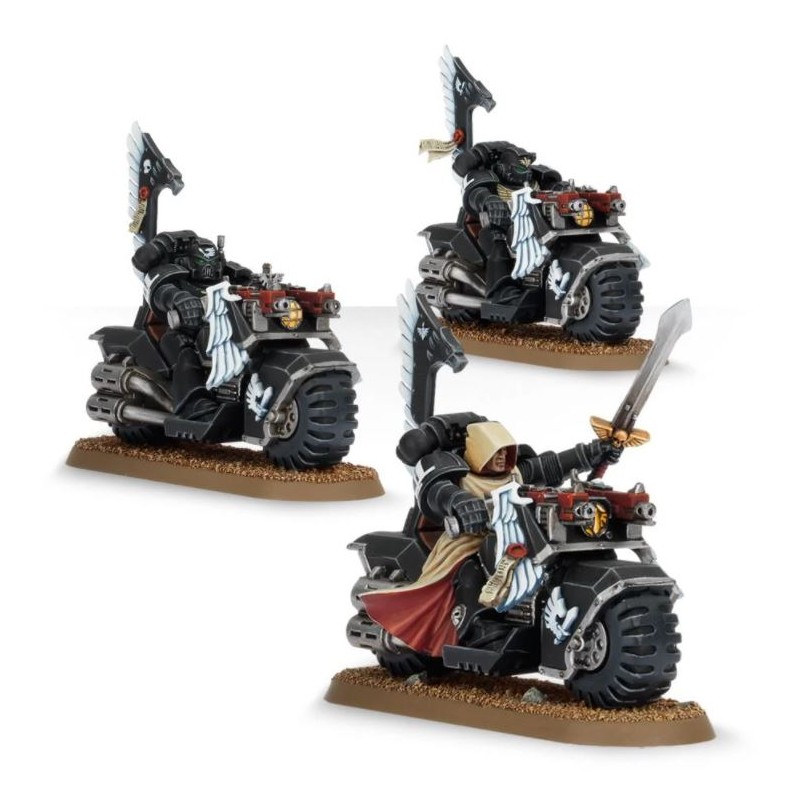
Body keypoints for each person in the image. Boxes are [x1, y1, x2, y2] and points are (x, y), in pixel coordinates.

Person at [361, 413, 617, 657]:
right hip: (469, 541)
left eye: (505, 451)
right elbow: (438, 491)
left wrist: (590, 453)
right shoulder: (460, 477)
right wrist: (459, 502)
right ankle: (475, 626)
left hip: (516, 535)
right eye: (496, 451)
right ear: (479, 450)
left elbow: (552, 466)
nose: (502, 457)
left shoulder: (515, 473)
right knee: (470, 572)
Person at [132, 230, 253, 423]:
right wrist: (178, 298)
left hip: (223, 329)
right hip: (180, 332)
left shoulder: (226, 278)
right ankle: (192, 403)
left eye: (213, 263)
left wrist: (257, 285)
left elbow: (249, 282)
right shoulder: (173, 279)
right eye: (202, 263)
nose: (208, 269)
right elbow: (162, 292)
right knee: (186, 352)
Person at [452, 142, 562, 300]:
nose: (524, 172)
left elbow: (555, 186)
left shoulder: (537, 177)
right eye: (519, 167)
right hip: (498, 225)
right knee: (497, 241)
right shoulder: (485, 178)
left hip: (538, 224)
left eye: (526, 166)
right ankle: (500, 293)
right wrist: (488, 200)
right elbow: (475, 194)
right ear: (503, 167)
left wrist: (561, 188)